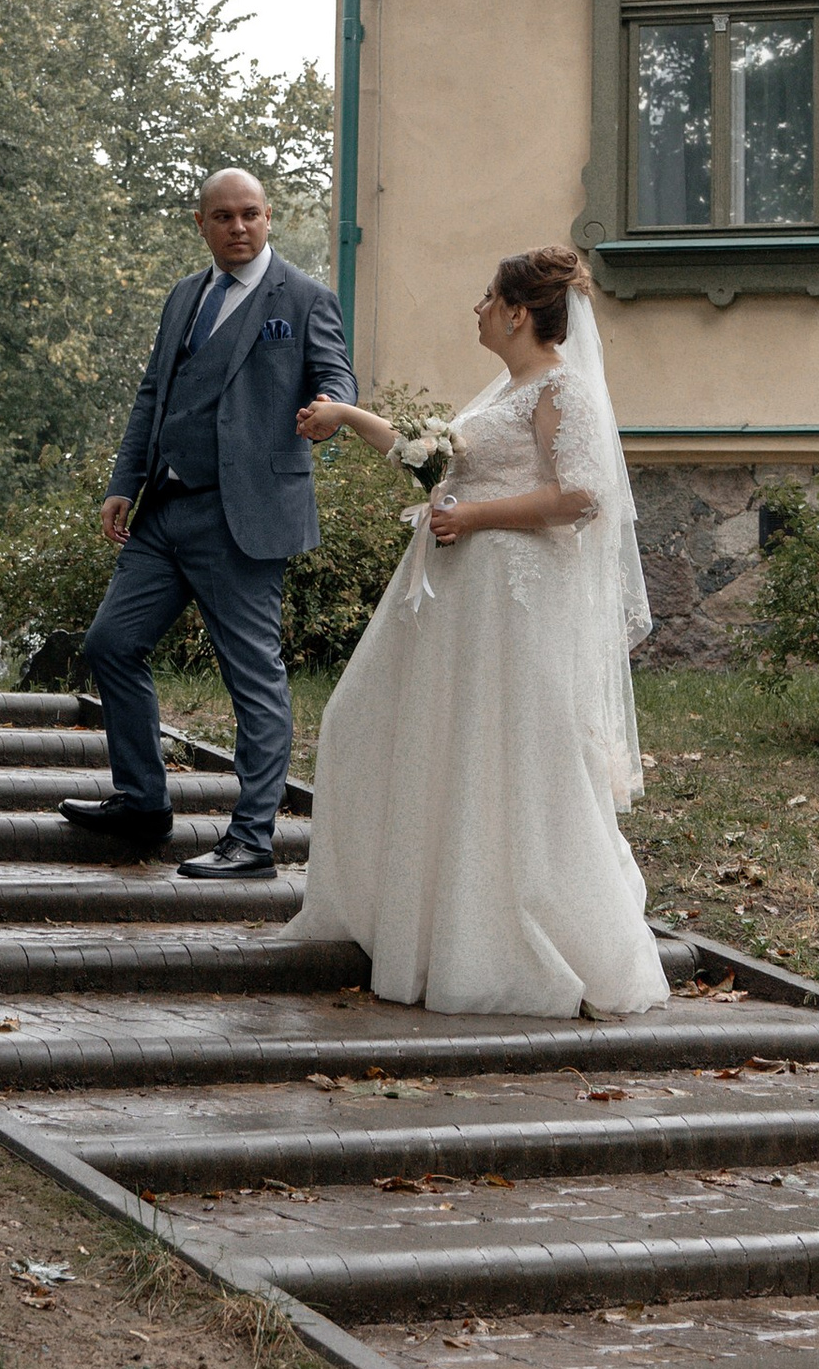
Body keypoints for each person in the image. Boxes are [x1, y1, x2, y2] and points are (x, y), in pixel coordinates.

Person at [285, 244, 668, 1017]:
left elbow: (582, 496)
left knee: (507, 755)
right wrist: (346, 415)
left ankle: (502, 939)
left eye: (488, 297)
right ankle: (418, 919)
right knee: (374, 725)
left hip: (513, 602)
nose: (478, 309)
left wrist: (475, 515)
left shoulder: (563, 388)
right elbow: (430, 459)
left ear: (520, 312)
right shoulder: (506, 392)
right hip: (457, 604)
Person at [61, 167, 354, 880]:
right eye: (222, 216)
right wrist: (123, 481)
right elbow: (154, 393)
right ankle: (141, 803)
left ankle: (252, 839)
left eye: (250, 214)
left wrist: (328, 413)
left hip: (245, 518)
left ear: (269, 216)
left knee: (253, 678)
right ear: (201, 224)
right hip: (164, 510)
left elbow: (337, 378)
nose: (238, 227)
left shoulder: (306, 298)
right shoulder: (186, 296)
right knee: (111, 644)